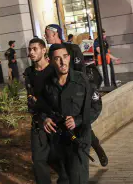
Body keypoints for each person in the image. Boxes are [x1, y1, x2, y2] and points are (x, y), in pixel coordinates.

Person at [40, 43, 103, 184]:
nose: (62, 61)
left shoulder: (82, 80)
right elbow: (41, 108)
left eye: (65, 57)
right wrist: (44, 118)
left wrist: (78, 120)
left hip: (79, 142)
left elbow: (96, 107)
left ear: (69, 57)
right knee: (78, 182)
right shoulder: (48, 83)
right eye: (57, 58)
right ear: (51, 61)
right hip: (60, 143)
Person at [45, 24, 109, 167]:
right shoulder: (50, 52)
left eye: (47, 34)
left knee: (83, 125)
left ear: (55, 34)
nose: (45, 36)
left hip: (76, 93)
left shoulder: (72, 49)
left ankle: (96, 148)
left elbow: (82, 71)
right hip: (60, 94)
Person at [24, 37, 70, 184]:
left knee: (59, 156)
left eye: (35, 49)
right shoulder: (29, 72)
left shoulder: (53, 70)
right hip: (39, 120)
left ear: (44, 50)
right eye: (30, 49)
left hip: (56, 121)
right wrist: (40, 114)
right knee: (38, 158)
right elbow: (31, 99)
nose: (31, 52)